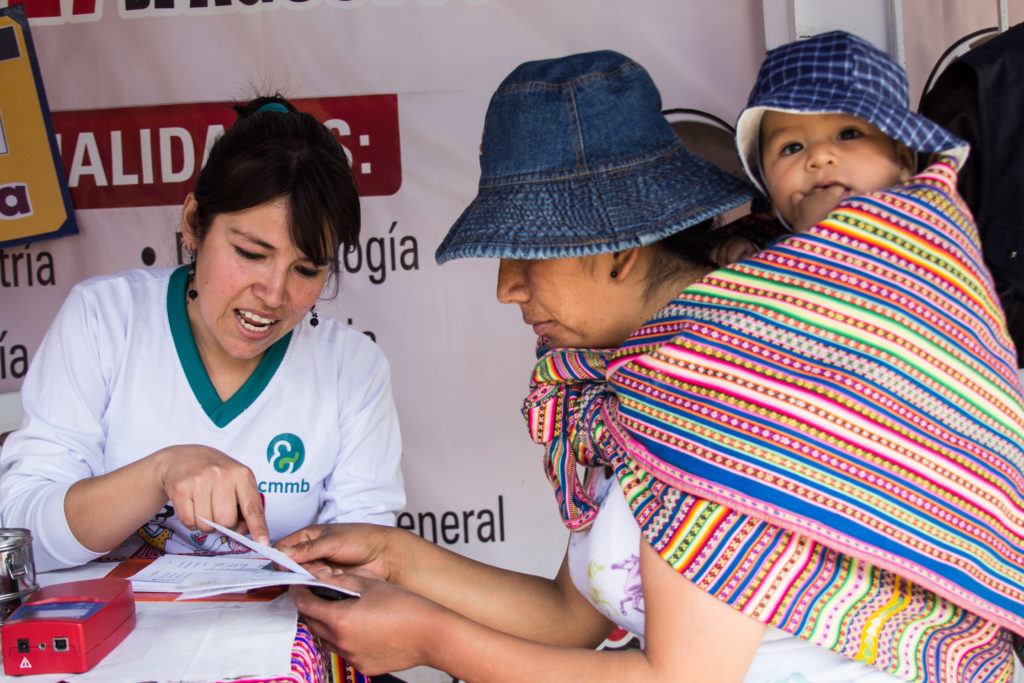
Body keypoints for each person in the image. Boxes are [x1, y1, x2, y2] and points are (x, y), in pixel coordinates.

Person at [282, 50, 1024, 683]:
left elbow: (681, 677)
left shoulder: (723, 372)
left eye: (525, 255)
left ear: (618, 249)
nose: (507, 287)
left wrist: (428, 640)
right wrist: (396, 556)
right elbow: (570, 616)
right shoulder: (639, 378)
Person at [0, 95, 405, 573]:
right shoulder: (104, 319)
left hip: (274, 642)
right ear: (193, 224)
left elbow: (369, 557)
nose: (274, 294)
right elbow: (23, 539)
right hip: (113, 640)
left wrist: (338, 569)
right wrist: (162, 472)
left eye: (307, 269)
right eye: (251, 254)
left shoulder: (353, 368)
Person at [710, 30, 967, 265]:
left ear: (903, 162)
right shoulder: (777, 251)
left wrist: (826, 238)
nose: (819, 157)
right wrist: (753, 258)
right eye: (792, 148)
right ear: (770, 192)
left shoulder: (927, 234)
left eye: (848, 134)